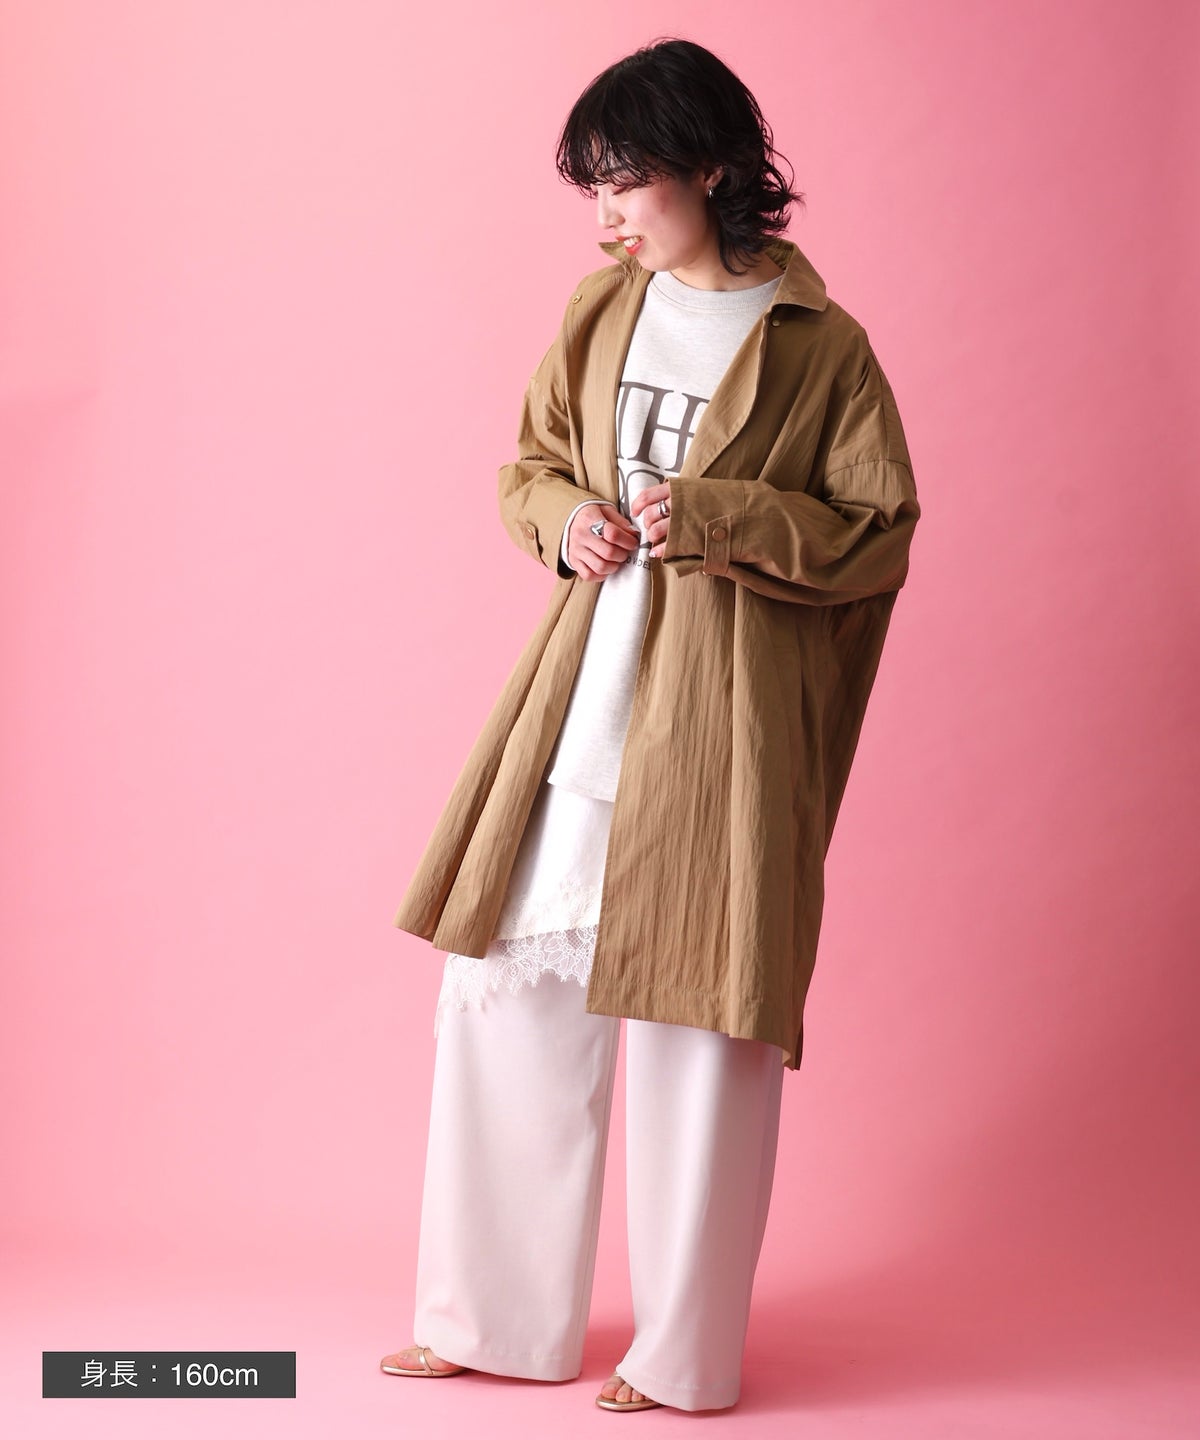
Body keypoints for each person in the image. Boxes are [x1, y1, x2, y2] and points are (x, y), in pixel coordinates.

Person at [380, 36, 919, 1414]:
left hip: (724, 730)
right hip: (583, 703)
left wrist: (729, 519)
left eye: (627, 183)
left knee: (703, 1026)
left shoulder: (821, 348)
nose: (608, 216)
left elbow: (876, 532)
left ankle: (680, 1359)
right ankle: (491, 1319)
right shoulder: (599, 311)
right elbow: (531, 463)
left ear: (715, 170)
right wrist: (566, 520)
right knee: (506, 993)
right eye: (597, 190)